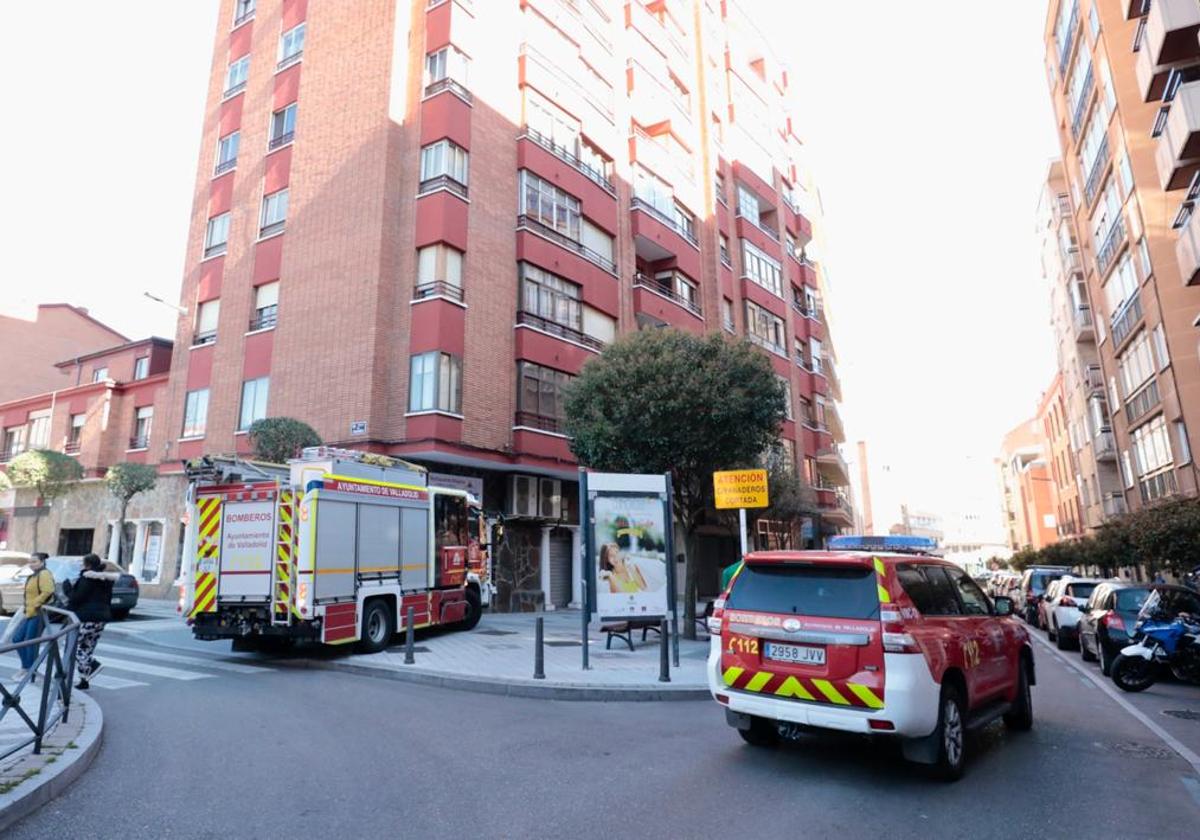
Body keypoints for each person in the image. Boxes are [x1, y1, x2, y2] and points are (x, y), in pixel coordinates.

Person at [67, 554, 119, 690]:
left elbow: (76, 598)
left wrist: (67, 588)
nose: (81, 566)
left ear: (87, 565)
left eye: (82, 564)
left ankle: (93, 665)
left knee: (74, 647)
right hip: (102, 618)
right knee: (87, 647)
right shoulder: (106, 580)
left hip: (87, 617)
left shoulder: (86, 578)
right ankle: (84, 681)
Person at [11, 553, 55, 682]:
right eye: (30, 562)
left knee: (30, 641)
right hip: (29, 612)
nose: (31, 564)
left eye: (34, 561)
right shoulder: (34, 575)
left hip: (38, 613)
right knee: (17, 639)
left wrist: (36, 604)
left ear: (42, 562)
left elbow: (48, 591)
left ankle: (29, 670)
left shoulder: (44, 574)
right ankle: (27, 667)